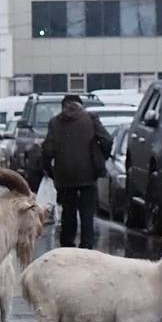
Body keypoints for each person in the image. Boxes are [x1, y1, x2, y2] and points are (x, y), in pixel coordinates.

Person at [41, 95, 112, 249]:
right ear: (80, 105)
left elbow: (48, 149)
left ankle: (67, 245)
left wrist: (48, 168)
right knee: (87, 212)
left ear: (63, 106)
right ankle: (86, 246)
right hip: (88, 174)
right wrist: (101, 157)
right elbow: (107, 139)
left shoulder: (55, 122)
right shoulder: (90, 119)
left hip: (65, 175)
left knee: (68, 211)